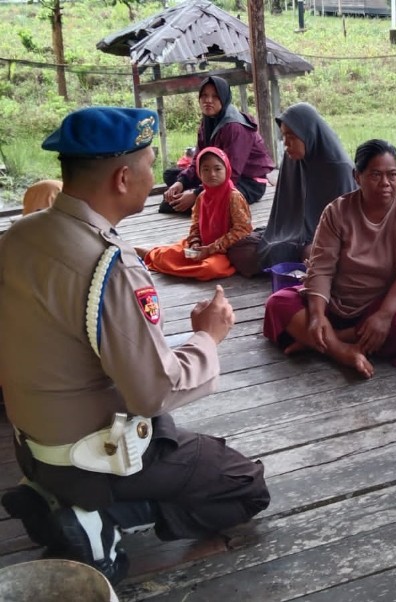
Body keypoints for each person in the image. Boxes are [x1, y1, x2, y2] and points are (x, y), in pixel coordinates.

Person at [0, 107, 270, 585]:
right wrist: (208, 336)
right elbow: (153, 392)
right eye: (150, 162)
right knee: (245, 486)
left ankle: (57, 497)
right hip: (90, 453)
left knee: (169, 429)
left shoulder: (17, 237)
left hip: (33, 443)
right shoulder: (107, 266)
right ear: (123, 178)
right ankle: (96, 517)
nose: (157, 173)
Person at [263, 139, 396, 378]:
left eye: (392, 175)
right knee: (278, 303)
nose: (385, 183)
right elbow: (321, 269)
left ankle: (322, 340)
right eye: (375, 175)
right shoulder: (337, 212)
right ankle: (341, 350)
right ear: (357, 176)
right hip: (338, 300)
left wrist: (383, 316)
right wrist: (319, 315)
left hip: (385, 301)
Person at [228, 102, 357, 277]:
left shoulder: (339, 169)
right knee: (239, 247)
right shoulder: (293, 159)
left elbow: (348, 229)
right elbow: (283, 216)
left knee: (312, 255)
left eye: (292, 136)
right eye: (283, 136)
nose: (286, 143)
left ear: (308, 134)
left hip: (326, 241)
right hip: (294, 234)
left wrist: (310, 242)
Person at [161, 75, 275, 213]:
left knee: (173, 206)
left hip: (246, 181)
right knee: (170, 175)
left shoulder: (235, 127)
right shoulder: (208, 121)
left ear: (224, 98)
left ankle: (200, 194)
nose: (208, 100)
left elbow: (231, 172)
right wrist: (181, 182)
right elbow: (198, 160)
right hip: (215, 172)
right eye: (204, 95)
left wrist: (196, 194)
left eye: (215, 96)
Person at [142, 146, 253, 281]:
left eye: (217, 169)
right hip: (202, 246)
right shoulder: (201, 197)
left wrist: (212, 248)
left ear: (227, 170)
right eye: (205, 169)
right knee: (171, 254)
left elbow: (243, 230)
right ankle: (151, 254)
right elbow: (196, 224)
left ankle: (159, 258)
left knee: (209, 268)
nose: (212, 174)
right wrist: (195, 242)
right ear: (199, 173)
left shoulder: (233, 197)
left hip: (225, 251)